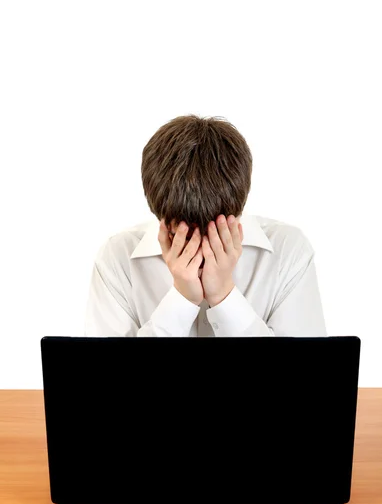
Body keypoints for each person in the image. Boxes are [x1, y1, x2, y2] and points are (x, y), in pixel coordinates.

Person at [84, 114, 327, 337]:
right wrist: (181, 298)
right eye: (184, 234)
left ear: (237, 213)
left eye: (214, 234)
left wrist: (223, 295)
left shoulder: (288, 251)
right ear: (161, 218)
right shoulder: (117, 258)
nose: (200, 251)